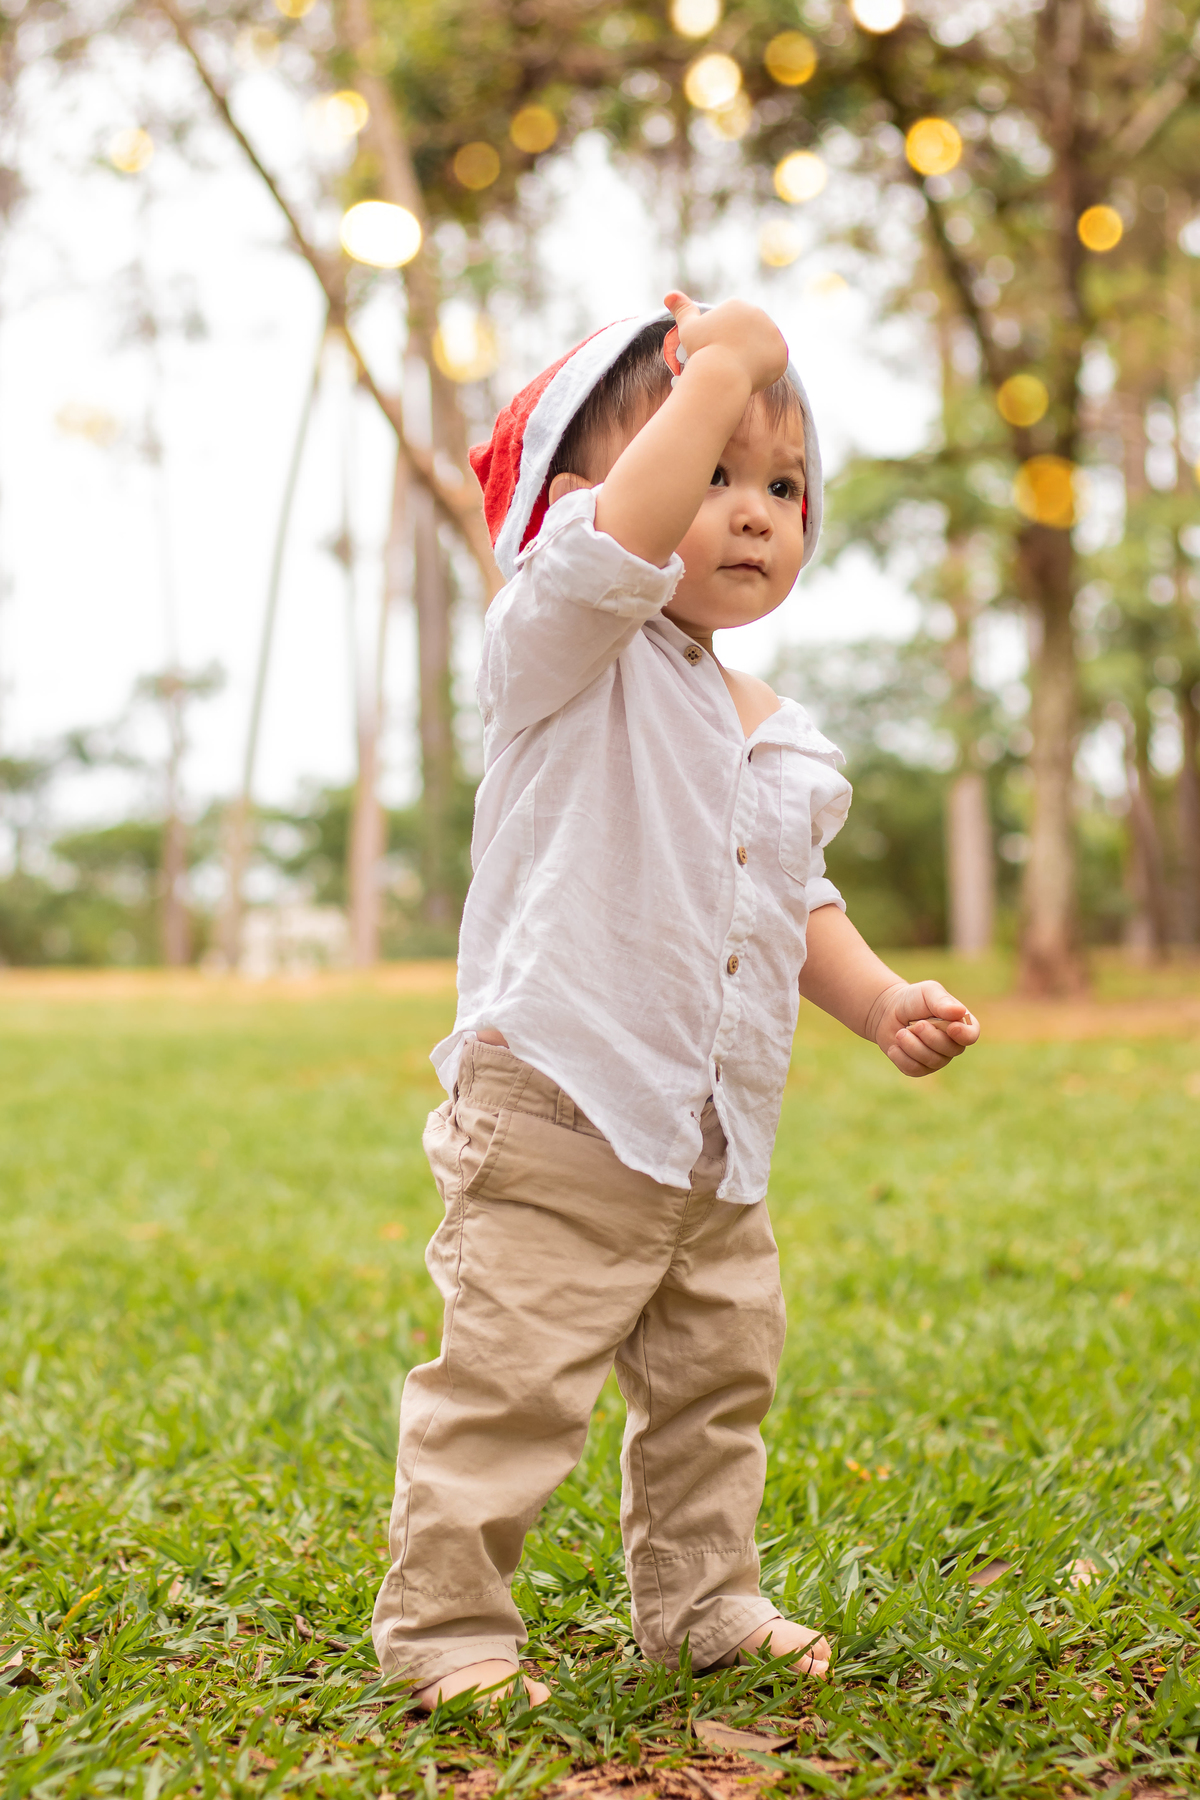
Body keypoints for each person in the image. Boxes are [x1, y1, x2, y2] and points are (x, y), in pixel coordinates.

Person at [371, 292, 981, 1710]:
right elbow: (618, 549)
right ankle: (450, 1632)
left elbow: (789, 894)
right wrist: (733, 366)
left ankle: (706, 1601)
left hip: (713, 1133)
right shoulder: (560, 644)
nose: (756, 511)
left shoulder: (769, 720)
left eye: (782, 484)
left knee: (717, 1387)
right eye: (712, 470)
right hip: (563, 1104)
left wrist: (881, 998)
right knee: (510, 1385)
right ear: (578, 510)